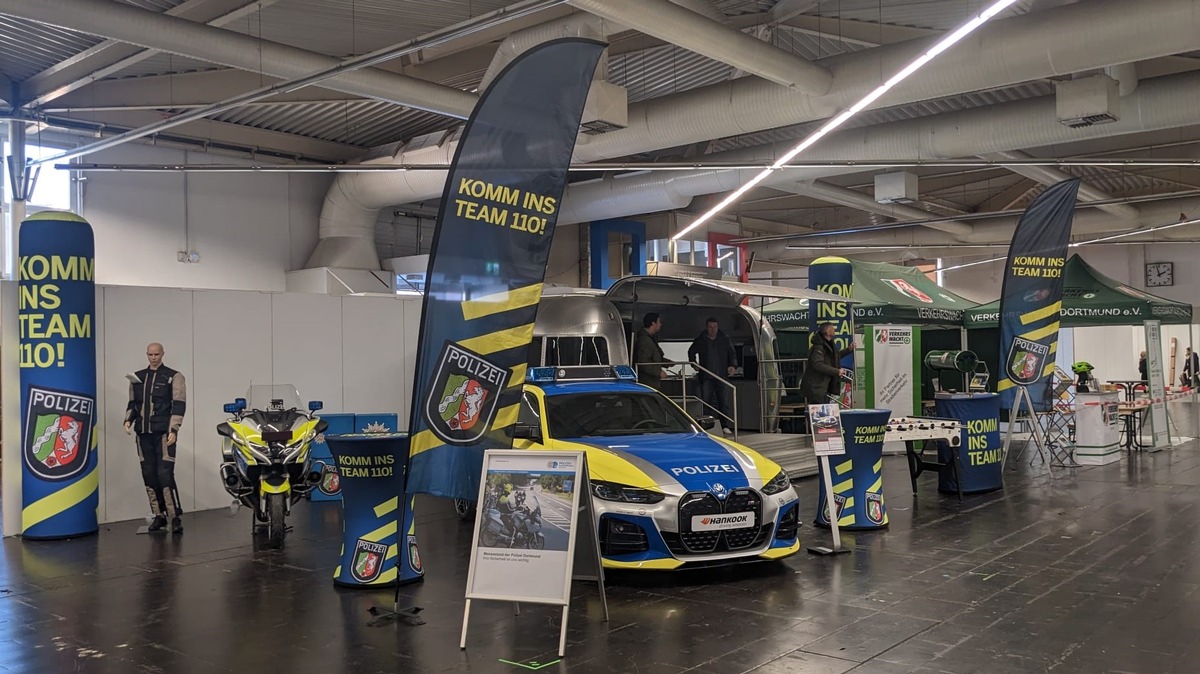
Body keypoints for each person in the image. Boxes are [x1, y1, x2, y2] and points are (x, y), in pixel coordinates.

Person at [125, 342, 187, 533]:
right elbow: (133, 403)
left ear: (162, 354)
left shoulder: (173, 376)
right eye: (150, 354)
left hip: (163, 434)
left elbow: (179, 404)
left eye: (157, 354)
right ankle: (158, 515)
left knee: (165, 475)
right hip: (143, 435)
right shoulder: (137, 378)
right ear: (146, 355)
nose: (153, 357)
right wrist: (128, 420)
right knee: (149, 475)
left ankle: (174, 516)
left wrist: (174, 430)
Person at [688, 317, 739, 434]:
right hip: (706, 377)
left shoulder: (724, 338)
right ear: (706, 327)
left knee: (724, 402)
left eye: (715, 327)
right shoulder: (701, 339)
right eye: (710, 327)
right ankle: (708, 426)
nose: (713, 329)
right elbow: (691, 351)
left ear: (718, 327)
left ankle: (724, 425)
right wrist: (693, 363)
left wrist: (733, 366)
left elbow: (732, 353)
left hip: (722, 376)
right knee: (706, 402)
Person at [799, 323, 853, 406]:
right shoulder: (819, 347)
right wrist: (836, 371)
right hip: (817, 386)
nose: (834, 330)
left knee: (823, 409)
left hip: (822, 386)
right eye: (832, 328)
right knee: (819, 410)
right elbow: (817, 364)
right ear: (828, 332)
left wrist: (848, 349)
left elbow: (835, 356)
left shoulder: (827, 344)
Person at [633, 312, 667, 391]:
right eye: (658, 322)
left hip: (652, 382)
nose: (660, 324)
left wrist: (667, 363)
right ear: (653, 323)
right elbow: (643, 362)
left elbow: (654, 357)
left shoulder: (650, 339)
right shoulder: (645, 341)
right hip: (648, 382)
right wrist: (658, 372)